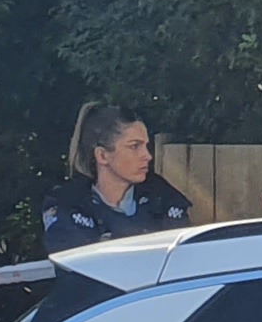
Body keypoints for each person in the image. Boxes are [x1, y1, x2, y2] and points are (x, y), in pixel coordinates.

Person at [42, 103, 192, 251]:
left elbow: (182, 256)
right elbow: (80, 268)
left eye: (146, 146)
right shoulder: (67, 204)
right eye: (134, 146)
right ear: (102, 155)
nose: (147, 156)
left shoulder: (161, 196)